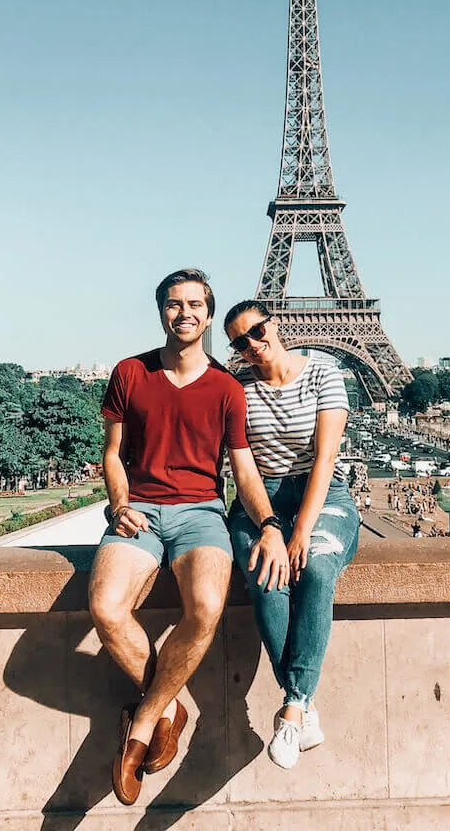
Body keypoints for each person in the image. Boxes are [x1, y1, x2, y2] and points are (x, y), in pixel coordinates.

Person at [89, 270, 289, 806]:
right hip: (141, 512)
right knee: (107, 608)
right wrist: (120, 502)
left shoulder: (226, 386)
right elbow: (113, 453)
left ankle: (141, 725)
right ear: (161, 311)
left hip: (201, 512)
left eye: (196, 305)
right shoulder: (130, 372)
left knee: (205, 607)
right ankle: (170, 709)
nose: (185, 313)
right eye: (175, 304)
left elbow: (244, 472)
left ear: (208, 313)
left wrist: (269, 523)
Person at [224, 300, 360, 769]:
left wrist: (300, 532)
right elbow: (243, 470)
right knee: (266, 577)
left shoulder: (324, 374)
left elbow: (325, 460)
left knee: (317, 570)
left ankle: (294, 704)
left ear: (275, 323)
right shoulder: (235, 389)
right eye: (239, 342)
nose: (252, 345)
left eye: (257, 331)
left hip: (320, 499)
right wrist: (270, 527)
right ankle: (300, 706)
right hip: (260, 502)